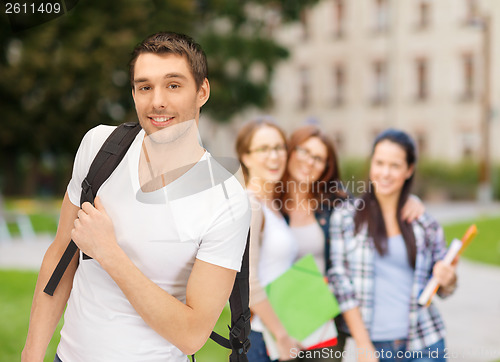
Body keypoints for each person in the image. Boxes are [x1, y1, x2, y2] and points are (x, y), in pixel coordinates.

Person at [22, 32, 251, 362]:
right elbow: (61, 256)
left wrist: (108, 253)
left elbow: (191, 335)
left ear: (202, 91)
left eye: (173, 85)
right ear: (133, 93)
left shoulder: (226, 199)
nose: (157, 101)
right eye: (145, 87)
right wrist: (31, 354)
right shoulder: (100, 147)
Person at [279, 125, 425, 362]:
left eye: (319, 158)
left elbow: (373, 204)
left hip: (322, 319)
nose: (309, 161)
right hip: (276, 315)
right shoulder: (267, 204)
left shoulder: (335, 202)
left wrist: (411, 200)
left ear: (327, 167)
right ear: (290, 151)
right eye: (303, 151)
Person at [328, 129, 457, 362]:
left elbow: (442, 286)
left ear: (409, 170)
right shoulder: (346, 217)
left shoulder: (425, 223)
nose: (385, 173)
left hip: (425, 343)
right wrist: (363, 343)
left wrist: (449, 280)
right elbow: (340, 283)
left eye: (395, 166)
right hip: (373, 345)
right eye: (379, 163)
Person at [236, 118, 300, 362]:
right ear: (246, 156)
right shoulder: (250, 205)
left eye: (279, 147)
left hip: (278, 331)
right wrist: (282, 335)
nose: (274, 156)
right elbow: (248, 282)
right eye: (264, 149)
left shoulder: (271, 204)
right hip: (263, 338)